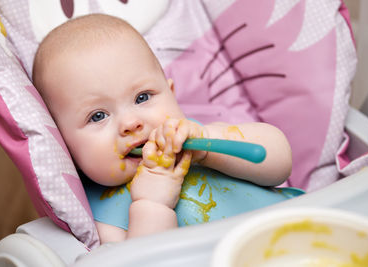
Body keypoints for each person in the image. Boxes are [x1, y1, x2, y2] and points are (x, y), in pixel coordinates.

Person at [32, 14, 292, 244]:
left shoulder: (204, 140)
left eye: (142, 97)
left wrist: (209, 145)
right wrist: (152, 205)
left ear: (172, 93)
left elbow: (279, 162)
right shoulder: (102, 220)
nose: (131, 123)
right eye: (98, 116)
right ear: (65, 147)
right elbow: (146, 261)